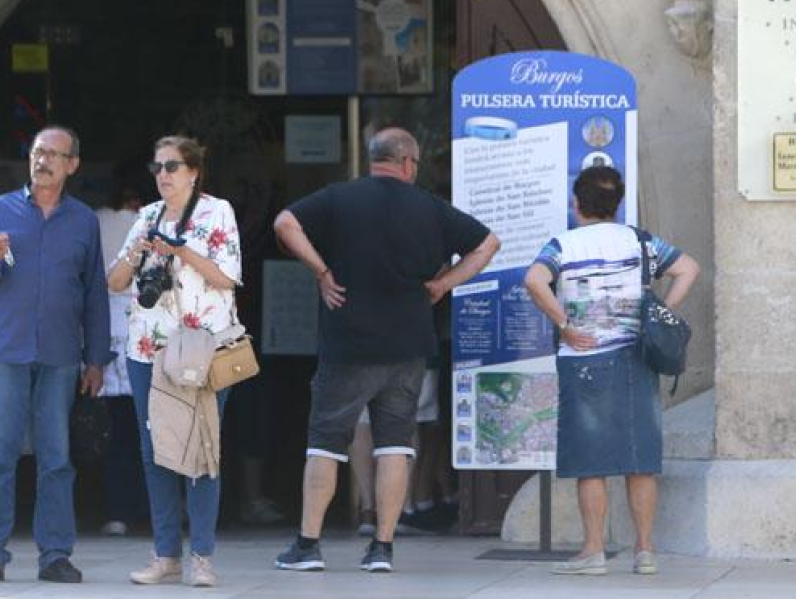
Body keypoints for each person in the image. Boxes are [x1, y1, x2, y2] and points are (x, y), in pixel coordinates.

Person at [273, 127, 500, 573]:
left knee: (325, 446)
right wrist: (443, 284)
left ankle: (308, 545)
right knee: (396, 445)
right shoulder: (430, 207)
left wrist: (320, 271)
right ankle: (382, 548)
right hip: (408, 348)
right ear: (409, 163)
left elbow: (284, 223)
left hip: (347, 345)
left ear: (373, 159)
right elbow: (488, 244)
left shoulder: (339, 198)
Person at [523, 166, 699, 576]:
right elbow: (688, 268)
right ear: (617, 203)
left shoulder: (562, 244)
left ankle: (593, 551)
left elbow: (534, 280)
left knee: (592, 461)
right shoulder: (639, 240)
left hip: (583, 361)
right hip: (636, 358)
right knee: (639, 458)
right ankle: (645, 550)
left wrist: (564, 324)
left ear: (576, 203)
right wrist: (661, 312)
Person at [0, 126, 111, 584]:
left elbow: (94, 294)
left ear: (72, 165)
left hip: (62, 354)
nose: (42, 160)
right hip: (6, 351)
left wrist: (96, 358)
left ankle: (55, 554)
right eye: (37, 152)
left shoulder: (83, 220)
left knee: (57, 458)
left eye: (53, 154)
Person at [107, 135, 242, 588]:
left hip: (201, 345)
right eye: (157, 167)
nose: (162, 174)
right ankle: (165, 555)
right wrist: (140, 249)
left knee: (203, 448)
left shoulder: (216, 211)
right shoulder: (145, 216)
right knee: (156, 452)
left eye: (171, 166)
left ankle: (201, 556)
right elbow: (116, 281)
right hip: (149, 348)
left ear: (193, 172)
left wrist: (180, 251)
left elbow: (227, 277)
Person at [94, 175, 148, 536]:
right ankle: (156, 512)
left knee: (115, 435)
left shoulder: (94, 220)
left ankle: (116, 512)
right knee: (150, 432)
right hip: (146, 335)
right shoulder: (150, 221)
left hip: (106, 337)